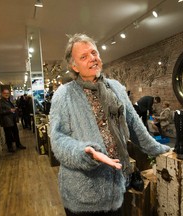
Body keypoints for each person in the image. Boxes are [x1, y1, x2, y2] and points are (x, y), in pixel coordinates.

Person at [49, 33, 170, 216]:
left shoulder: (116, 88)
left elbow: (134, 124)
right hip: (83, 194)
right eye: (84, 56)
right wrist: (85, 152)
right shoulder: (64, 95)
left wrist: (160, 149)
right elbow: (57, 139)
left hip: (116, 186)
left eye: (94, 52)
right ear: (74, 66)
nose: (92, 58)